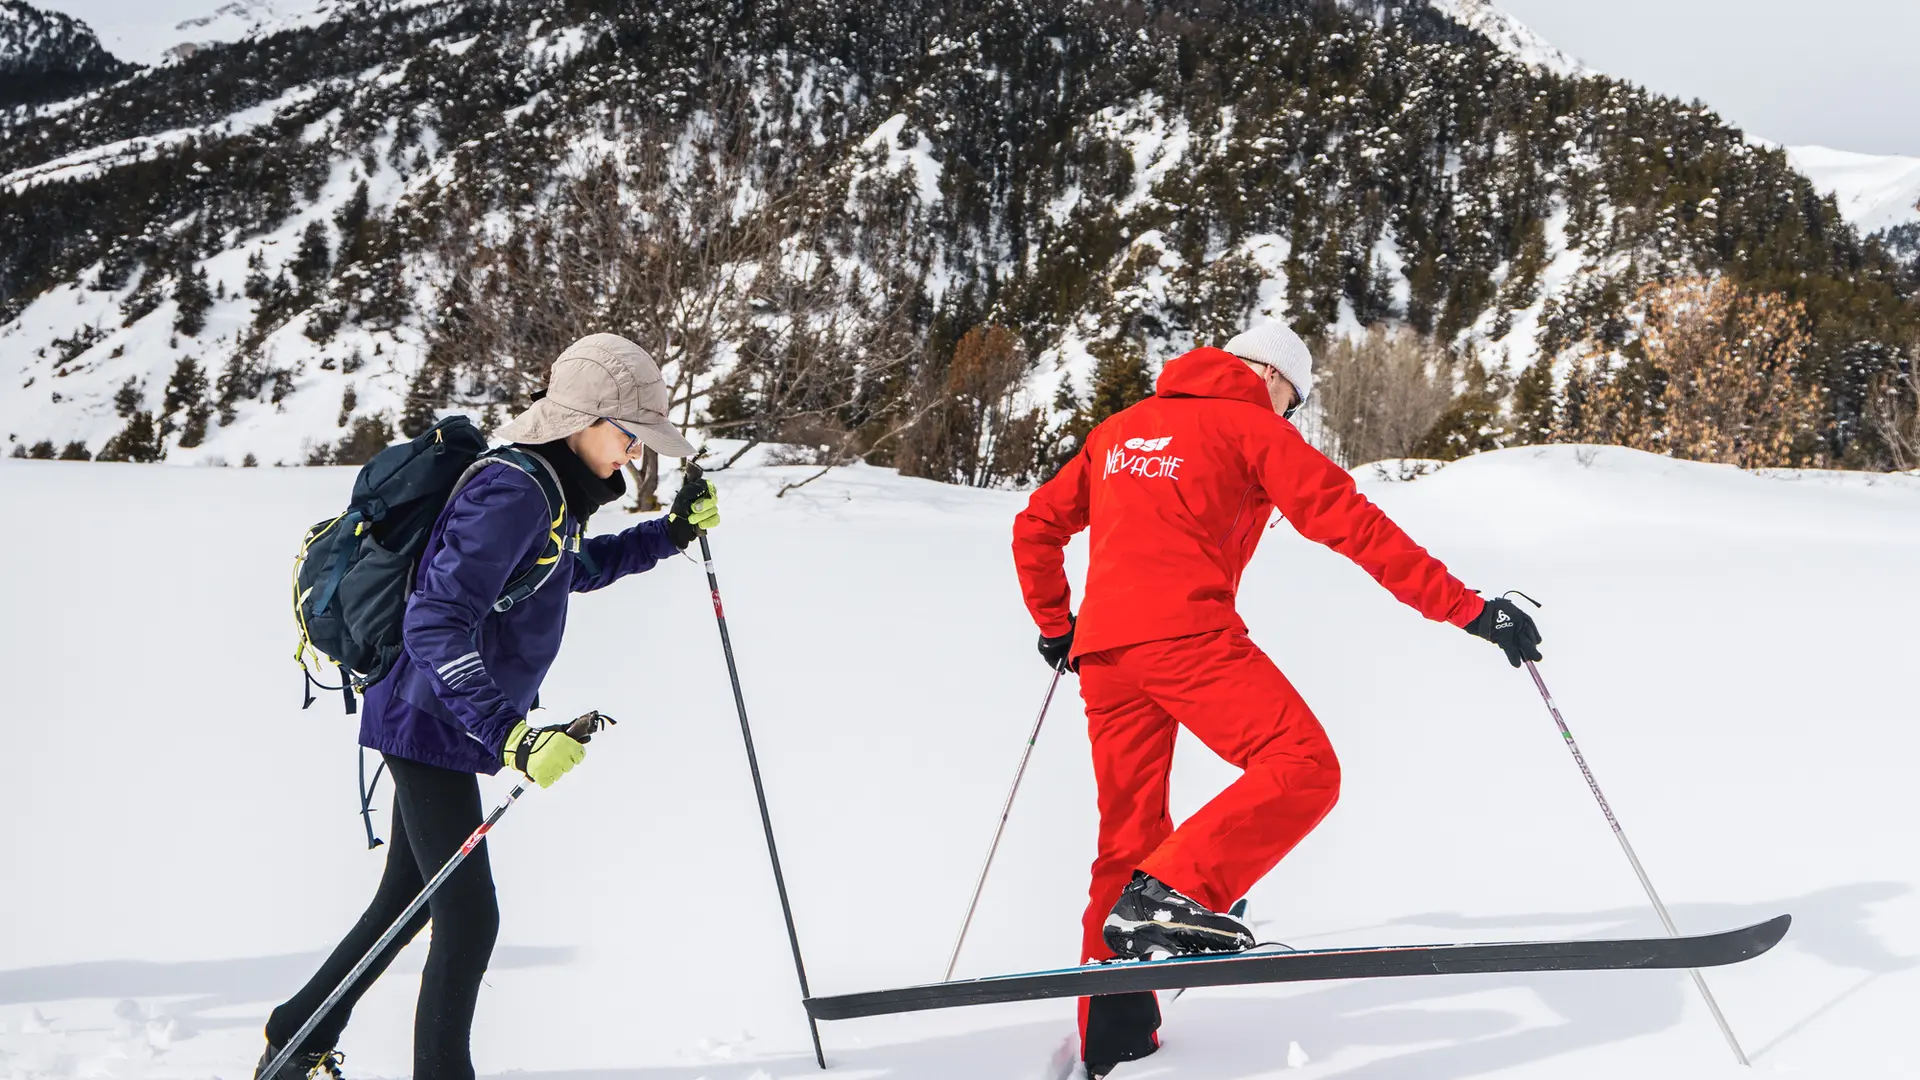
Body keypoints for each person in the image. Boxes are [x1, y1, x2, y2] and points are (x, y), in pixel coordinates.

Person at [1010, 322, 1543, 1078]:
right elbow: (1354, 525)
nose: (1289, 414)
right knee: (1302, 766)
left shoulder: (1120, 430)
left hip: (1106, 657)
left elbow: (1035, 527)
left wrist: (1057, 627)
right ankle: (1173, 896)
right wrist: (1469, 609)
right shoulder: (1249, 425)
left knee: (1127, 841)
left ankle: (1117, 1030)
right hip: (1188, 636)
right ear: (1268, 374)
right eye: (1292, 399)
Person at [256, 334, 721, 1080]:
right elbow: (434, 622)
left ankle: (296, 1032)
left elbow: (570, 570)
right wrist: (513, 737)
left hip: (438, 714)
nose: (635, 455)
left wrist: (668, 536)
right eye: (630, 436)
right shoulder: (515, 490)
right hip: (428, 713)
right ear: (584, 420)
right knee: (470, 920)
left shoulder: (550, 491)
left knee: (410, 902)